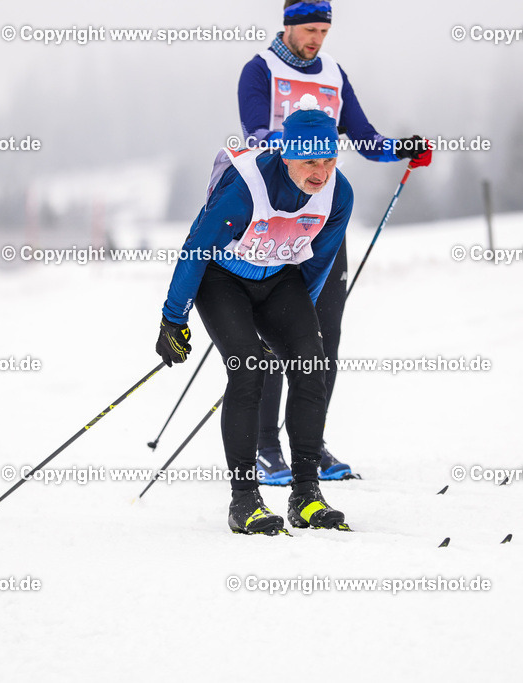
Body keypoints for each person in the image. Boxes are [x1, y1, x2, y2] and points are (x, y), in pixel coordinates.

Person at [238, 0, 433, 485]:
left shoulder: (333, 74)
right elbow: (256, 138)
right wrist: (303, 144)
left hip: (322, 222)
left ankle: (311, 443)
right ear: (288, 24)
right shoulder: (259, 71)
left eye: (323, 31)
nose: (316, 40)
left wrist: (400, 148)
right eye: (309, 29)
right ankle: (266, 448)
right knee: (274, 336)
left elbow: (363, 137)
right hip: (275, 221)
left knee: (324, 335)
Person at [156, 97, 353, 534]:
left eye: (329, 160)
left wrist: (290, 331)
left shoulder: (338, 194)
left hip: (280, 277)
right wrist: (173, 319)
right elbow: (197, 248)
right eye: (310, 161)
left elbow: (318, 263)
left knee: (311, 363)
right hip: (222, 278)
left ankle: (306, 495)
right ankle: (244, 500)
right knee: (248, 369)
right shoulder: (247, 186)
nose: (321, 173)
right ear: (287, 153)